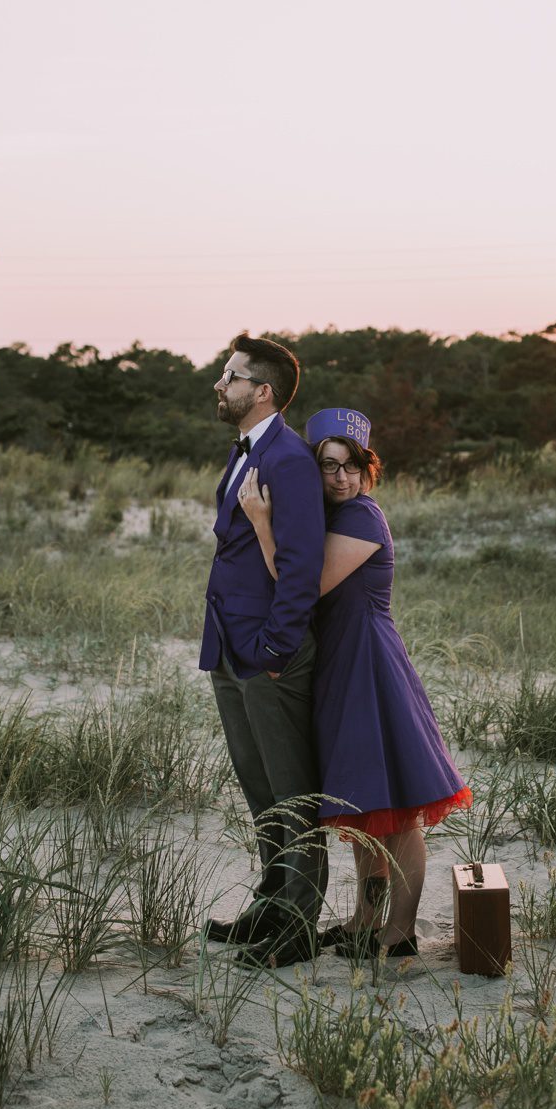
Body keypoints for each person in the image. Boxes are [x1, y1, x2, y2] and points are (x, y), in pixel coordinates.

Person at [237, 408, 470, 959]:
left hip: (370, 666)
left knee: (398, 812)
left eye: (351, 466)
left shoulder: (363, 517)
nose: (341, 477)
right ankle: (366, 921)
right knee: (367, 805)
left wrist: (262, 523)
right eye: (328, 466)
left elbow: (302, 585)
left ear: (367, 471)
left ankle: (400, 932)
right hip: (342, 666)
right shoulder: (335, 516)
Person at [197, 334, 330, 969]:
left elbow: (302, 567)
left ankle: (299, 926)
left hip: (269, 652)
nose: (219, 385)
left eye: (231, 376)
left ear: (263, 392)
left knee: (292, 792)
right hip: (230, 646)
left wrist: (275, 646)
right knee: (259, 787)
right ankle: (272, 903)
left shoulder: (290, 459)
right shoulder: (246, 449)